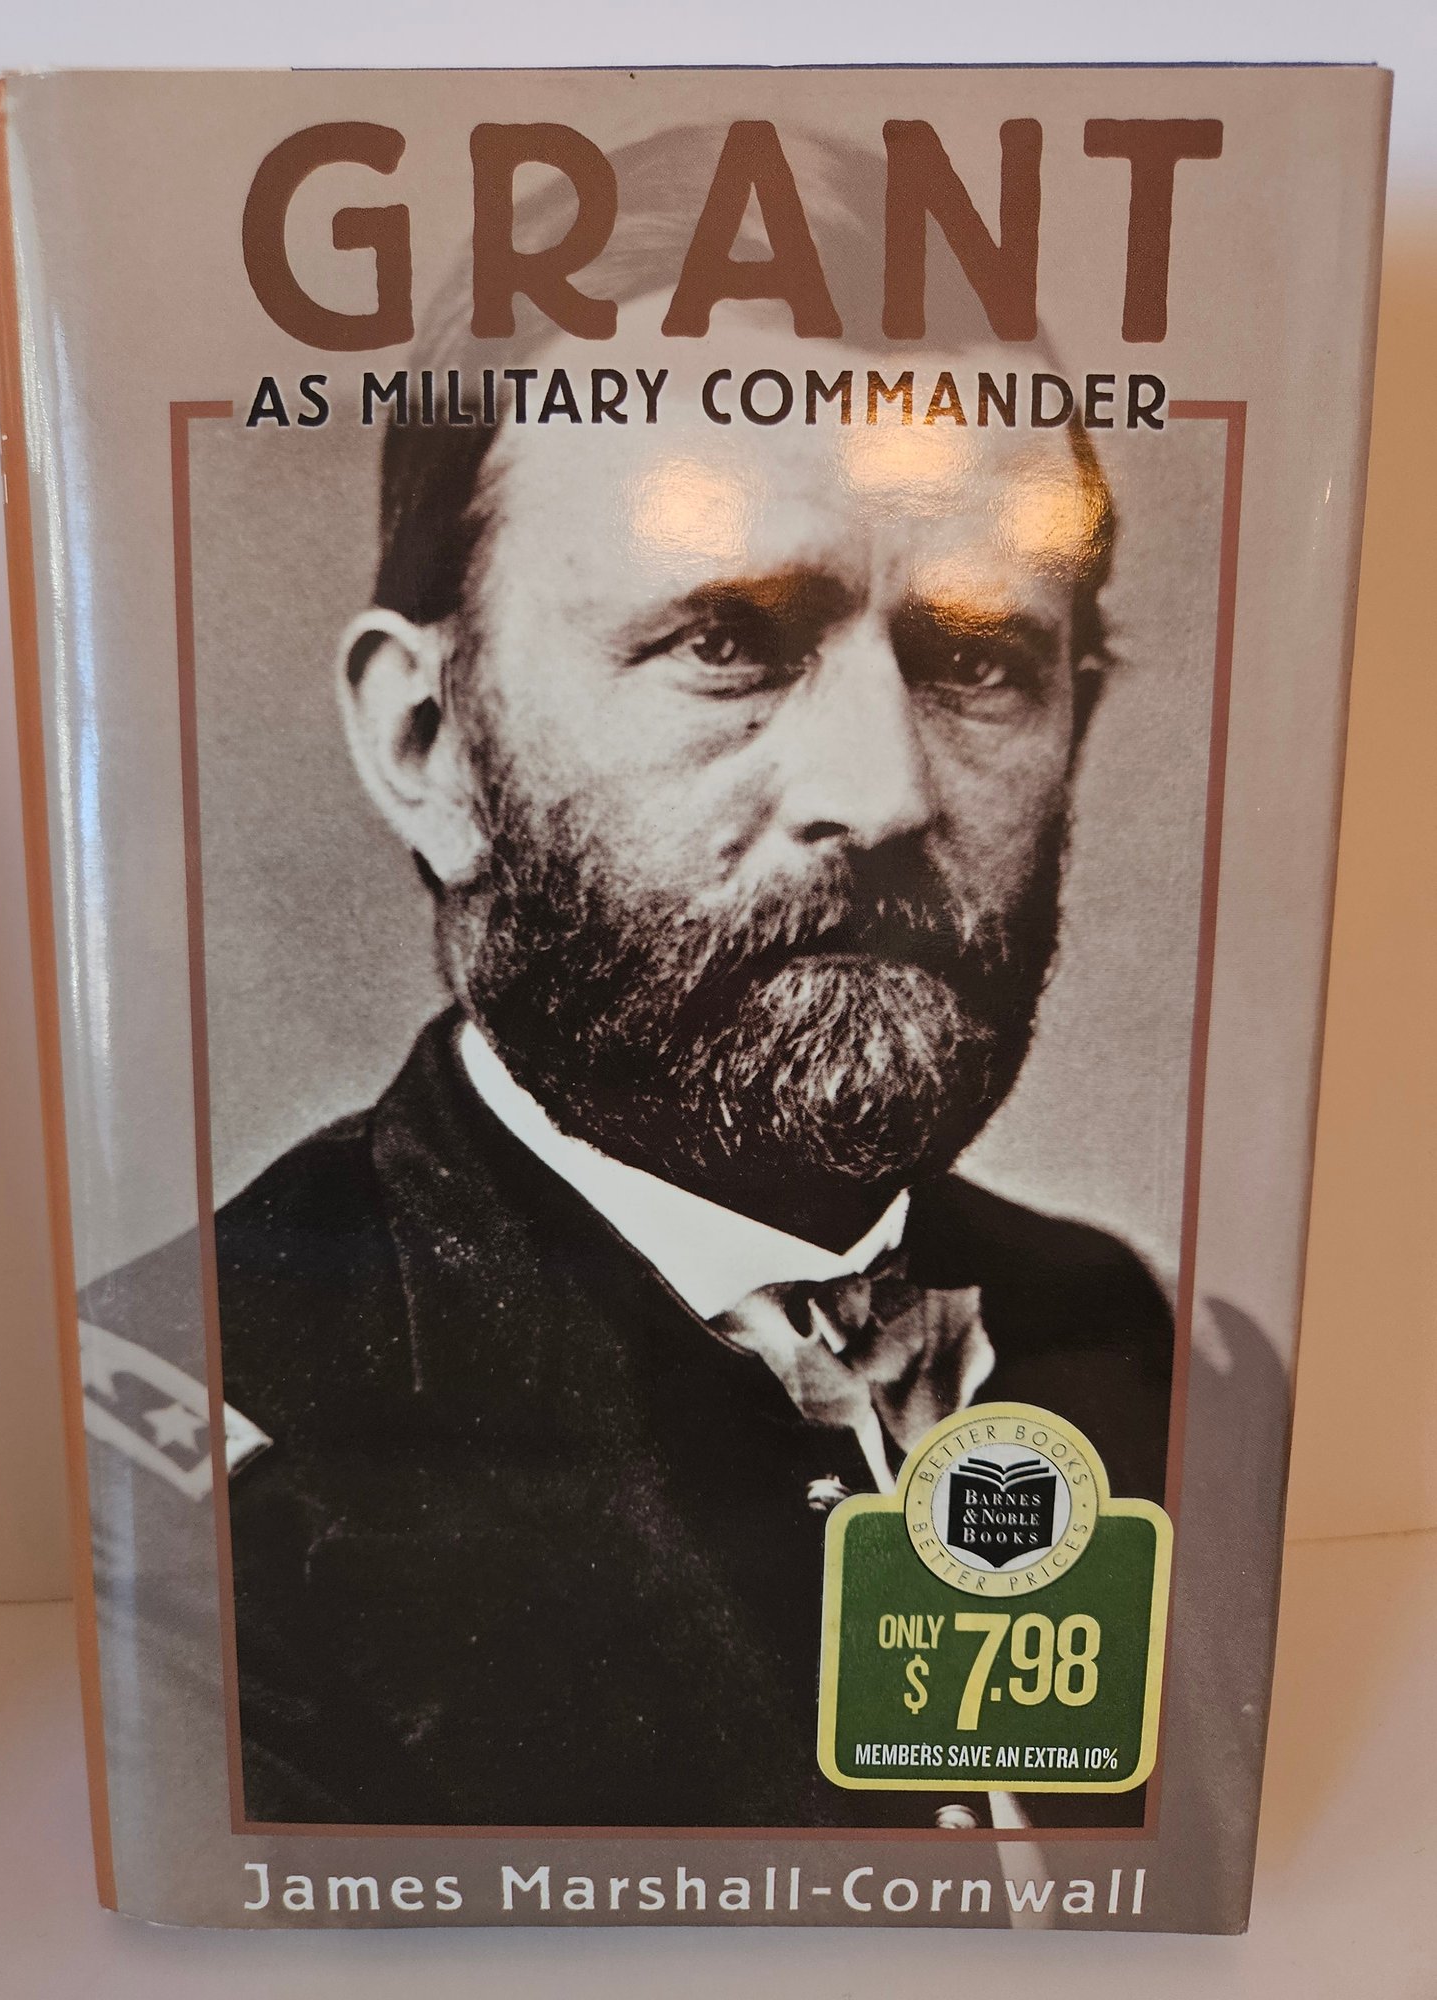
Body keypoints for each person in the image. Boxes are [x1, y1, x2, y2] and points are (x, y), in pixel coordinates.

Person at [84, 128, 1245, 1845]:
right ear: (430, 743)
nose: (883, 793)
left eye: (977, 661)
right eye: (727, 643)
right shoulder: (198, 1464)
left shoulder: (1133, 1341)